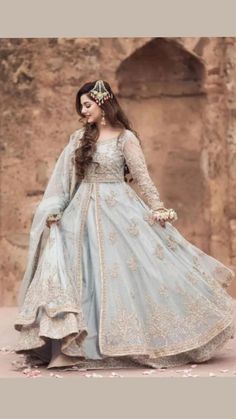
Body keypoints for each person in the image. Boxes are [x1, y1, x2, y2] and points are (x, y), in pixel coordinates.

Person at [14, 79, 236, 370]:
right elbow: (65, 182)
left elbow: (142, 177)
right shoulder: (79, 138)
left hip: (119, 211)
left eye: (87, 105)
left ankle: (131, 342)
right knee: (73, 274)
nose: (83, 111)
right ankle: (66, 347)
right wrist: (55, 210)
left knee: (138, 272)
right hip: (79, 213)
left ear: (103, 103)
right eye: (81, 106)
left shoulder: (125, 138)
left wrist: (157, 208)